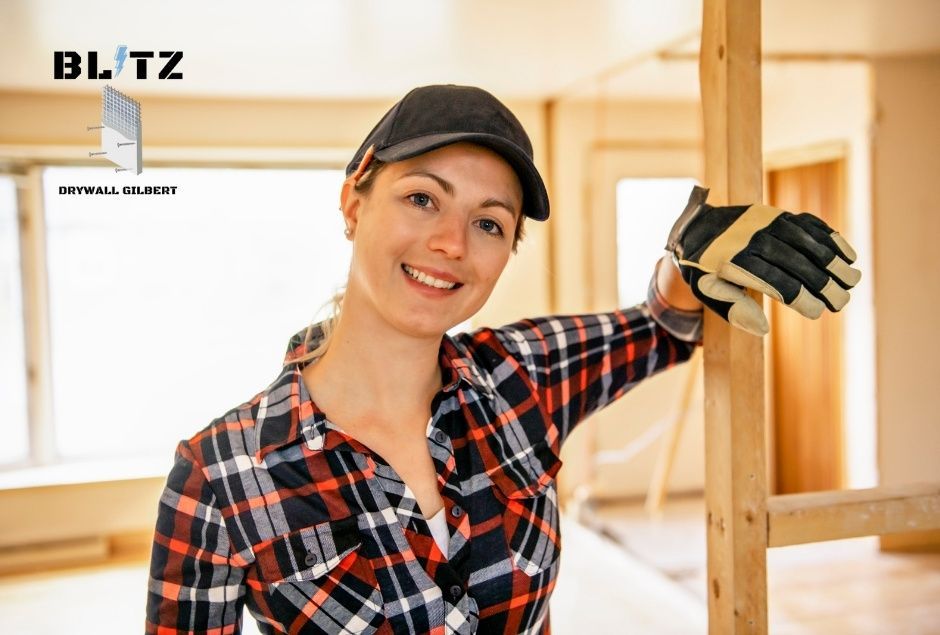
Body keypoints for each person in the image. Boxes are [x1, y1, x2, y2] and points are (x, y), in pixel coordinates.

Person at [145, 84, 859, 634]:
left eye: (489, 221)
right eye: (422, 198)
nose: (452, 243)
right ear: (353, 202)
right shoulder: (220, 474)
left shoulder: (521, 376)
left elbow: (662, 328)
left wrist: (685, 265)